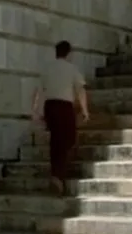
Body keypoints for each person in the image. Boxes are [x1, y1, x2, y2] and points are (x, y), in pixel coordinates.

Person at [31, 41, 90, 196]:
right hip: (64, 107)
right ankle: (58, 175)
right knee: (67, 139)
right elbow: (80, 90)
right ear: (69, 53)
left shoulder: (47, 68)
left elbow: (38, 91)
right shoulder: (71, 69)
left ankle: (56, 175)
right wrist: (85, 110)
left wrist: (35, 110)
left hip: (50, 107)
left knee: (56, 140)